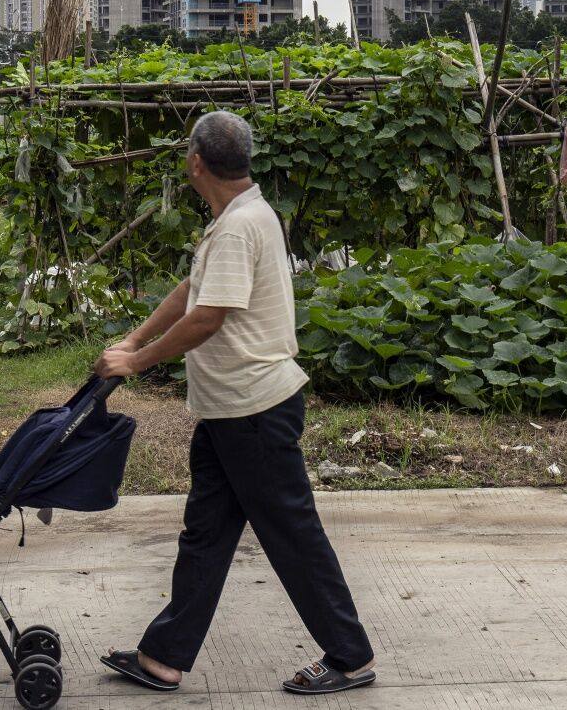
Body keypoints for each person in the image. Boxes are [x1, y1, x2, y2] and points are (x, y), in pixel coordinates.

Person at [97, 110, 376, 696]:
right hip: (230, 411)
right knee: (205, 532)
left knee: (291, 535)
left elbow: (208, 317)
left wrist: (138, 363)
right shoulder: (243, 215)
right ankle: (164, 657)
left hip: (255, 412)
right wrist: (133, 339)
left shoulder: (237, 226)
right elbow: (191, 292)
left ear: (196, 161)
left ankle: (349, 657)